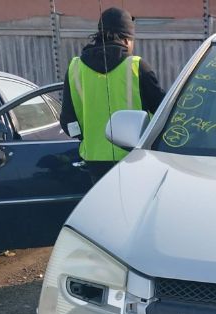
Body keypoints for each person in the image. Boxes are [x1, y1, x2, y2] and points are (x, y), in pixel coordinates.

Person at [61, 7, 165, 183]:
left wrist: (87, 139)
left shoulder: (75, 68)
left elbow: (68, 121)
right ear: (126, 39)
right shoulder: (137, 66)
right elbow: (163, 112)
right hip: (134, 158)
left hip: (94, 161)